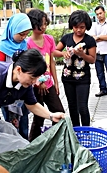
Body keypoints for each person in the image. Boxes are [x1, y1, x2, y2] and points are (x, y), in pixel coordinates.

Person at [0, 49, 65, 124]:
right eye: (32, 78)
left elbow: (32, 104)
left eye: (37, 78)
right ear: (19, 70)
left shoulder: (25, 85)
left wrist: (51, 116)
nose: (35, 82)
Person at [27, 9, 65, 142]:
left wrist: (56, 82)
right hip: (35, 86)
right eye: (41, 24)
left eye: (45, 24)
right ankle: (33, 144)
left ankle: (53, 141)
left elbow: (52, 62)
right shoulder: (28, 43)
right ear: (33, 24)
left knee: (59, 111)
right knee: (39, 117)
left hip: (49, 84)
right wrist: (38, 82)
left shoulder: (48, 39)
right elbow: (29, 67)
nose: (44, 27)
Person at [55, 10, 96, 127]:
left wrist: (82, 54)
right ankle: (76, 132)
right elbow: (54, 51)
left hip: (83, 79)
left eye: (82, 27)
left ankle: (87, 131)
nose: (78, 30)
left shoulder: (89, 40)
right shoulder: (66, 38)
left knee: (82, 107)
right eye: (76, 27)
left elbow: (92, 59)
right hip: (67, 78)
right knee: (72, 107)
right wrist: (63, 54)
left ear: (86, 26)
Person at [0, 13, 32, 140]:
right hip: (5, 90)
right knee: (9, 124)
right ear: (12, 29)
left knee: (24, 121)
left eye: (26, 34)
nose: (23, 37)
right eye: (21, 34)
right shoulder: (0, 46)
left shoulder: (24, 45)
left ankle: (23, 145)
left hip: (21, 87)